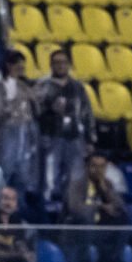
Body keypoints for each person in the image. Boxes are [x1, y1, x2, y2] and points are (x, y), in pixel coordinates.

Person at [36, 50, 94, 206]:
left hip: (73, 137)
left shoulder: (77, 87)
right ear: (51, 65)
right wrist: (49, 108)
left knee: (74, 177)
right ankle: (48, 210)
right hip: (50, 136)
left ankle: (72, 209)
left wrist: (90, 139)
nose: (60, 65)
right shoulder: (43, 86)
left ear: (69, 65)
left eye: (63, 62)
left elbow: (86, 113)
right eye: (56, 62)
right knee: (49, 177)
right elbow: (34, 111)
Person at [0, 51, 39, 195]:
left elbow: (35, 110)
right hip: (4, 134)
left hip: (24, 134)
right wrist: (7, 112)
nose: (21, 68)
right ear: (9, 65)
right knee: (3, 171)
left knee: (24, 173)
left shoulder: (26, 87)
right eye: (18, 65)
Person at [65, 151, 127, 227]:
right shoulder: (76, 184)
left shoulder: (107, 183)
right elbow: (76, 208)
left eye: (102, 166)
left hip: (103, 224)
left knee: (129, 212)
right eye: (94, 166)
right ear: (87, 167)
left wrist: (105, 190)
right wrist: (101, 207)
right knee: (90, 214)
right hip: (78, 227)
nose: (98, 170)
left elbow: (119, 205)